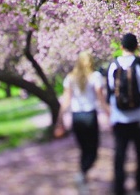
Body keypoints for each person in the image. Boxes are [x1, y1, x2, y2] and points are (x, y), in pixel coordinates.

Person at [106, 33, 140, 195]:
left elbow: (110, 95)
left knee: (120, 154)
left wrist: (110, 117)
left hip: (119, 119)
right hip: (139, 117)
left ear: (121, 47)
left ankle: (119, 188)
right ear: (136, 47)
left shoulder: (112, 65)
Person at [58, 50, 110, 189]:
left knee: (84, 150)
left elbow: (65, 101)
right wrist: (109, 114)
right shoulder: (95, 76)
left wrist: (60, 119)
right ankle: (82, 174)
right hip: (89, 116)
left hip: (76, 117)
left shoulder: (70, 78)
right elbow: (101, 99)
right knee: (92, 151)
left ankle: (83, 180)